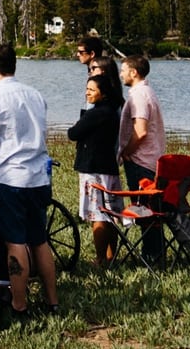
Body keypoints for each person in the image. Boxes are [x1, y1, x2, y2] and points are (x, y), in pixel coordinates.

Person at [0, 43, 58, 317]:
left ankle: (19, 304)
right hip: (38, 176)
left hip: (9, 178)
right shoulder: (35, 95)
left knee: (14, 243)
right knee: (39, 241)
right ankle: (52, 301)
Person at [67, 55, 124, 265]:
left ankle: (100, 258)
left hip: (92, 169)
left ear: (103, 93)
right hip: (108, 167)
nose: (87, 93)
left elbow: (73, 133)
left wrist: (81, 121)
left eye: (91, 90)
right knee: (111, 213)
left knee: (98, 216)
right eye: (87, 88)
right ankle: (111, 256)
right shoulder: (113, 110)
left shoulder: (96, 113)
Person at [118, 55, 169, 266]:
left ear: (133, 72)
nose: (121, 74)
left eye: (123, 70)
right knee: (150, 212)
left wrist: (127, 151)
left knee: (144, 211)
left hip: (141, 162)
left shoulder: (139, 95)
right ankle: (155, 253)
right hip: (151, 160)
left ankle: (151, 255)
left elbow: (141, 131)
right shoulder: (148, 92)